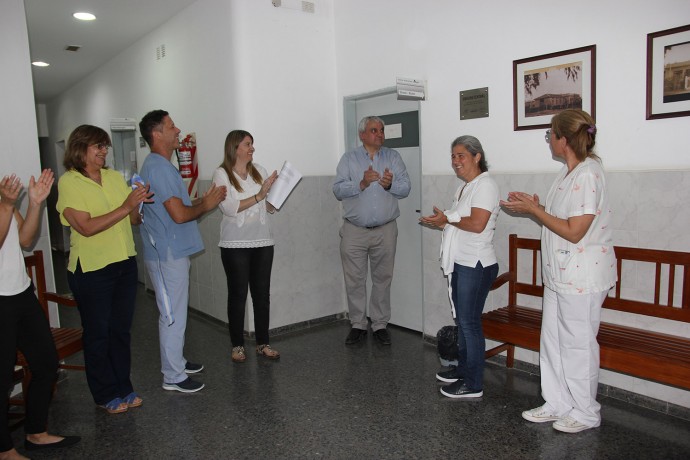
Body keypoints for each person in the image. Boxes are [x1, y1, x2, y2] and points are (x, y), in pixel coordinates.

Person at [500, 109, 616, 433]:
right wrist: (536, 207)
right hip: (560, 275)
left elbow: (576, 230)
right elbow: (562, 220)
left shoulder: (588, 173)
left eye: (550, 134)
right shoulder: (569, 172)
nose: (548, 140)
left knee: (577, 345)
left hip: (581, 277)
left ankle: (585, 412)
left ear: (563, 139)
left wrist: (535, 210)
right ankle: (558, 403)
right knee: (552, 340)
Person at [57, 125, 153, 414]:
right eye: (97, 146)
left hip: (123, 263)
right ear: (79, 148)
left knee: (120, 332)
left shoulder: (113, 177)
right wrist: (126, 206)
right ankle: (104, 393)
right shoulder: (69, 183)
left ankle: (124, 385)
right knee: (98, 333)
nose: (103, 151)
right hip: (92, 270)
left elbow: (133, 220)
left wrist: (138, 201)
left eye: (105, 146)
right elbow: (85, 227)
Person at [139, 110, 226, 393]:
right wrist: (207, 204)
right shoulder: (158, 167)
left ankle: (177, 361)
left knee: (175, 311)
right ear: (156, 134)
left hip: (173, 251)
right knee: (172, 315)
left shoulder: (162, 166)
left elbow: (178, 208)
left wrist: (200, 203)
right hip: (167, 254)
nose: (178, 130)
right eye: (171, 126)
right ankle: (172, 376)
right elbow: (178, 214)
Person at [1, 171, 80, 459]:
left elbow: (25, 239)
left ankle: (36, 433)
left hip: (21, 293)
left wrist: (34, 204)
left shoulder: (2, 201)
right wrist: (8, 205)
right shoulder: (4, 203)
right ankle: (4, 449)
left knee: (46, 363)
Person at [420, 136, 499, 399]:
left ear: (477, 156)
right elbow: (458, 223)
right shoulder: (466, 187)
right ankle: (463, 370)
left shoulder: (486, 185)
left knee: (469, 324)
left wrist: (449, 218)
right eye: (453, 156)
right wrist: (441, 222)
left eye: (461, 155)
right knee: (463, 322)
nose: (456, 161)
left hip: (476, 264)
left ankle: (473, 383)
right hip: (461, 262)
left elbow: (477, 224)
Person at [333, 116, 411, 346]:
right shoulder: (348, 159)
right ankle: (358, 323)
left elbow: (405, 187)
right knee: (354, 279)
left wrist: (389, 184)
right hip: (354, 230)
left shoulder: (393, 157)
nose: (380, 133)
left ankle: (379, 324)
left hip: (385, 230)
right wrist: (361, 183)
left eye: (382, 130)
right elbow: (337, 190)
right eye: (374, 130)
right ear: (362, 135)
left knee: (382, 279)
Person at [212, 130, 279, 363]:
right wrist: (260, 195)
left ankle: (263, 343)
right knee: (238, 295)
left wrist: (274, 195)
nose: (252, 148)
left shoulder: (258, 170)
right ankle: (237, 345)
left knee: (262, 295)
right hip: (234, 244)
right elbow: (228, 208)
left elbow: (268, 207)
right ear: (235, 147)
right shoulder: (222, 174)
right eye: (247, 144)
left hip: (262, 241)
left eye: (252, 144)